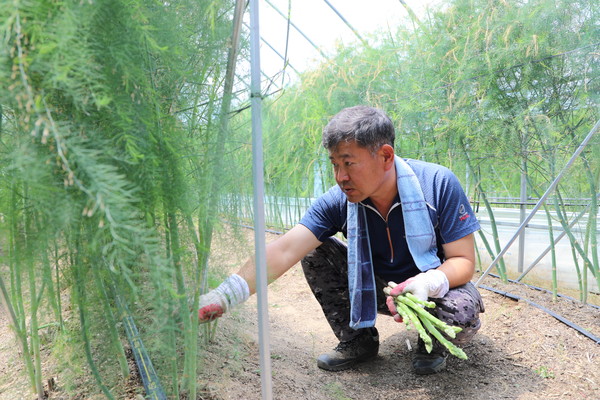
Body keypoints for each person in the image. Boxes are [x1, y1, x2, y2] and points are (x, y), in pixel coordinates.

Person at [198, 105, 484, 375]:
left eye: (349, 163)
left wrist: (426, 283)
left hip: (432, 290)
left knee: (460, 314)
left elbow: (463, 261)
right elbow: (285, 249)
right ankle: (358, 340)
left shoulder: (437, 184)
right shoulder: (339, 201)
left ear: (385, 156)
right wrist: (224, 296)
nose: (340, 177)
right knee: (314, 250)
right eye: (335, 164)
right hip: (379, 289)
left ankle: (430, 342)